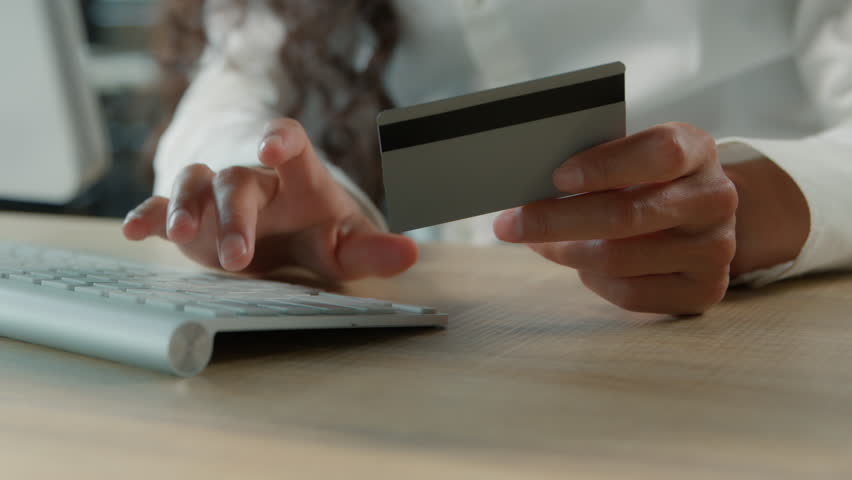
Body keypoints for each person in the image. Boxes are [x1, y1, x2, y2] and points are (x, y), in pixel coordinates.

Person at [123, 0, 852, 314]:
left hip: (748, 331)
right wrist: (247, 183)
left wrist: (754, 204)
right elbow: (221, 103)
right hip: (452, 334)